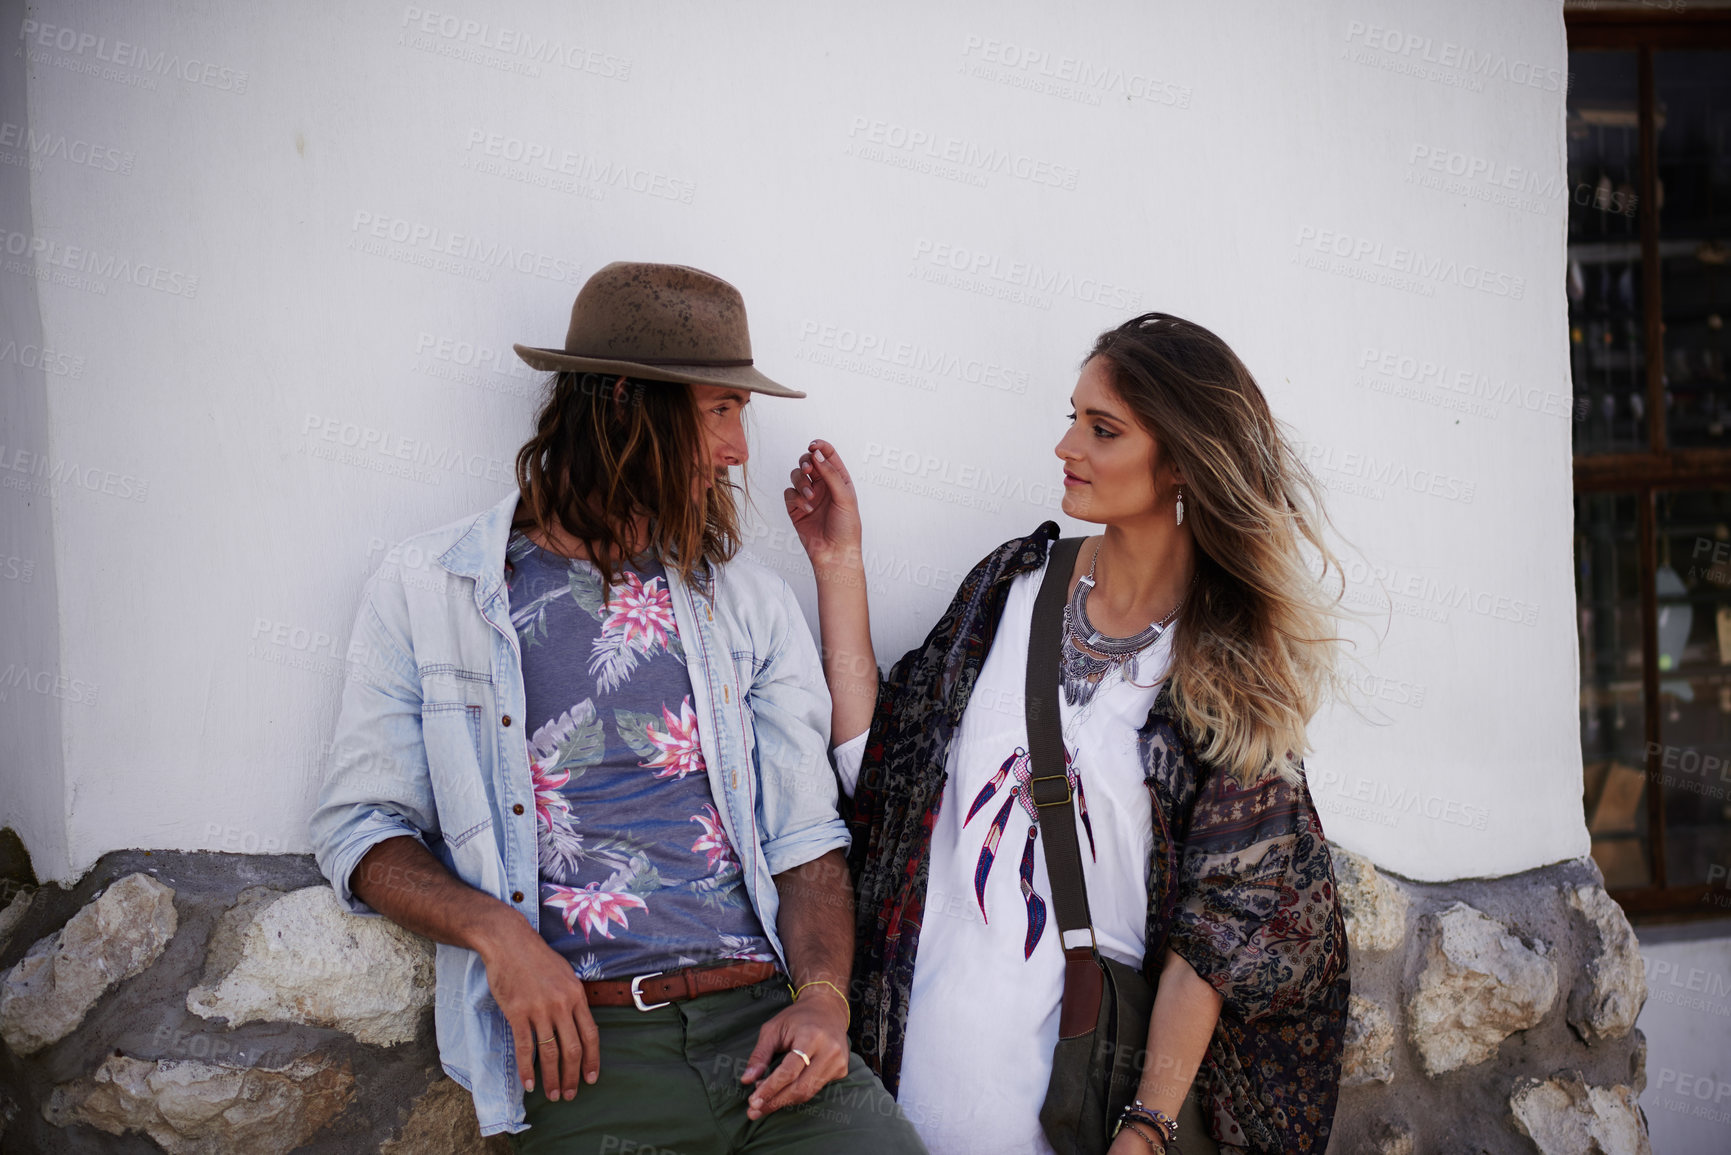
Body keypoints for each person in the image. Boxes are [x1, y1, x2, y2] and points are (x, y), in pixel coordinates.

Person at [309, 262, 927, 1153]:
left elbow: (806, 843)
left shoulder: (747, 603)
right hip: (589, 1052)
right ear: (627, 411)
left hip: (762, 1020)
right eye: (720, 409)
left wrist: (824, 1001)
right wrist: (499, 936)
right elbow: (359, 827)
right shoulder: (433, 589)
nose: (739, 449)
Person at [784, 312, 1351, 1154]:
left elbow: (1219, 933)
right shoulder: (1012, 585)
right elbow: (887, 777)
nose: (1065, 446)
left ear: (1183, 460)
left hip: (1075, 1115)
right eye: (1072, 416)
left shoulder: (1224, 667)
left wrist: (1150, 1126)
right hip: (908, 1086)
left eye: (1102, 428)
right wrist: (839, 568)